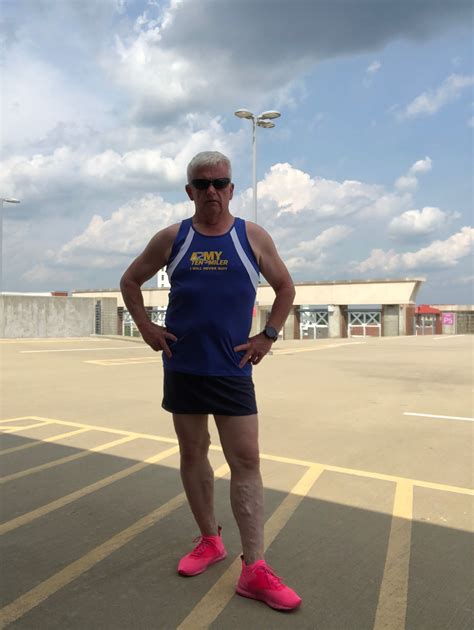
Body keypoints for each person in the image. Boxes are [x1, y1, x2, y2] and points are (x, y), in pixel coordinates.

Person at [120, 150, 301, 611]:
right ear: (190, 192)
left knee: (247, 460)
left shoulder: (251, 237)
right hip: (183, 366)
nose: (213, 191)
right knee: (192, 453)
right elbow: (130, 281)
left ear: (233, 188)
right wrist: (146, 327)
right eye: (203, 185)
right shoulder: (172, 238)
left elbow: (286, 287)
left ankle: (254, 568)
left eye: (221, 183)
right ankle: (209, 540)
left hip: (232, 369)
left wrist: (268, 335)